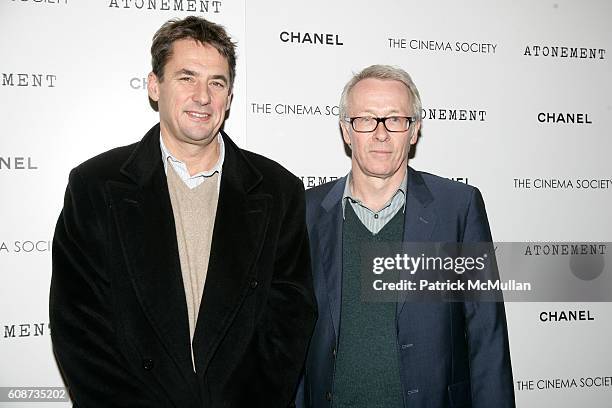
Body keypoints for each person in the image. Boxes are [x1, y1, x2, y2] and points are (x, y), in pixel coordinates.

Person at [50, 16, 316, 408]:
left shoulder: (278, 190)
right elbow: (79, 326)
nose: (203, 96)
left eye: (217, 82)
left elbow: (289, 321)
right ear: (155, 86)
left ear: (229, 95)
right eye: (186, 77)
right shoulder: (94, 186)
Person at [298, 65, 515, 408]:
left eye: (395, 119)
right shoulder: (306, 211)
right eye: (366, 119)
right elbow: (292, 333)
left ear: (414, 131)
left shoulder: (457, 208)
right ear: (346, 131)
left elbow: (486, 335)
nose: (381, 133)